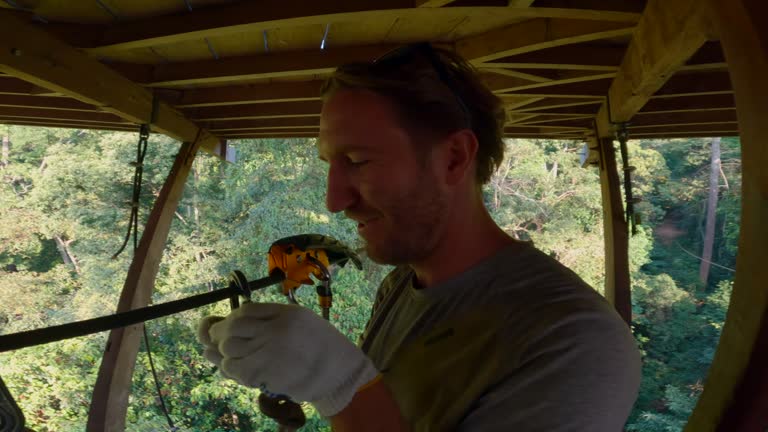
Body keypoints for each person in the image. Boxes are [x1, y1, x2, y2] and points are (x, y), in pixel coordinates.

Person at [198, 43, 641, 431]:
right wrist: (305, 373)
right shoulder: (401, 287)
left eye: (357, 160)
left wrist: (340, 385)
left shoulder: (575, 340)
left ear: (453, 158)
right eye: (330, 163)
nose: (334, 200)